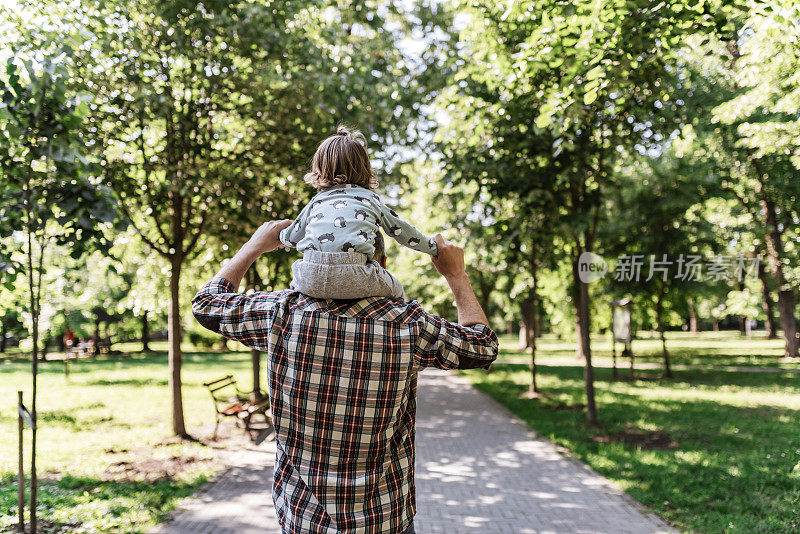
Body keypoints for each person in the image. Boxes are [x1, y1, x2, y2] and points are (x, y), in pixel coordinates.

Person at [192, 220, 498, 534]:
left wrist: (254, 245)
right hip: (383, 520)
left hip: (303, 519)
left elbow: (207, 304)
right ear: (381, 264)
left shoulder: (280, 313)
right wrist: (456, 275)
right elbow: (483, 346)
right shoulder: (407, 324)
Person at [279, 125, 437, 300]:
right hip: (355, 275)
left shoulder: (317, 201)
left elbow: (291, 238)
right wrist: (433, 248)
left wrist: (279, 235)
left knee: (294, 291)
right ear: (364, 168)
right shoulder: (369, 199)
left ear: (319, 170)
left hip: (309, 275)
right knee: (396, 290)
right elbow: (402, 232)